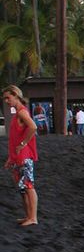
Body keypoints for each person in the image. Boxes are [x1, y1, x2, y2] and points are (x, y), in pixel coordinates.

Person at [3, 85, 38, 226]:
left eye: (8, 97)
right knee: (22, 188)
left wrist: (23, 144)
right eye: (4, 98)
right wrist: (10, 158)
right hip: (17, 157)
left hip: (24, 156)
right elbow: (15, 138)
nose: (6, 100)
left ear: (16, 96)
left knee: (28, 186)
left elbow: (33, 127)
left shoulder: (22, 113)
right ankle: (28, 216)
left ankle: (33, 217)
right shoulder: (18, 113)